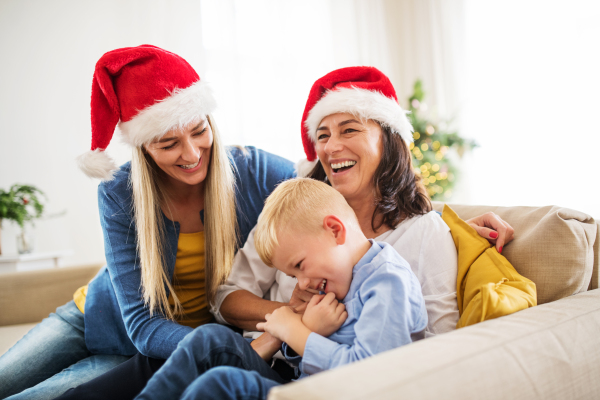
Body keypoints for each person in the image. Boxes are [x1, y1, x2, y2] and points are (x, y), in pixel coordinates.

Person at [53, 65, 515, 399]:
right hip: (236, 344)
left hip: (307, 370)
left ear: (388, 137)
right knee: (198, 345)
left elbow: (433, 348)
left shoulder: (410, 245)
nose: (331, 147)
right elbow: (225, 296)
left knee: (210, 371)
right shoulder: (293, 211)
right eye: (322, 136)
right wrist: (287, 319)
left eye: (348, 129)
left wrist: (453, 225)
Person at [0, 45, 295, 400]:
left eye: (199, 130)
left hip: (148, 353)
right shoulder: (119, 192)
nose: (191, 153)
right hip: (96, 315)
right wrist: (217, 346)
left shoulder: (253, 170)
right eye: (168, 143)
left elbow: (322, 190)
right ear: (142, 148)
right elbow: (142, 324)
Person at [132, 177, 427, 400]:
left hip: (332, 392)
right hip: (302, 385)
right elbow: (306, 361)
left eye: (299, 265)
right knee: (211, 339)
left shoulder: (387, 281)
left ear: (335, 230)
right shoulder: (339, 274)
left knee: (221, 384)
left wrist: (298, 332)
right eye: (292, 274)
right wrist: (305, 329)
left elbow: (370, 375)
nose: (302, 283)